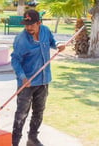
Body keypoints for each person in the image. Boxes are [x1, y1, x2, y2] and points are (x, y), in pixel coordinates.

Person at [11, 9, 65, 146]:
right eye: (26, 24)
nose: (28, 28)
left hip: (43, 80)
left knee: (39, 111)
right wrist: (23, 77)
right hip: (27, 83)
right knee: (21, 114)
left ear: (39, 23)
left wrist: (58, 45)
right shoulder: (21, 40)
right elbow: (15, 60)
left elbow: (52, 41)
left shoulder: (45, 30)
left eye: (32, 24)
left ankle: (32, 139)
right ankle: (14, 142)